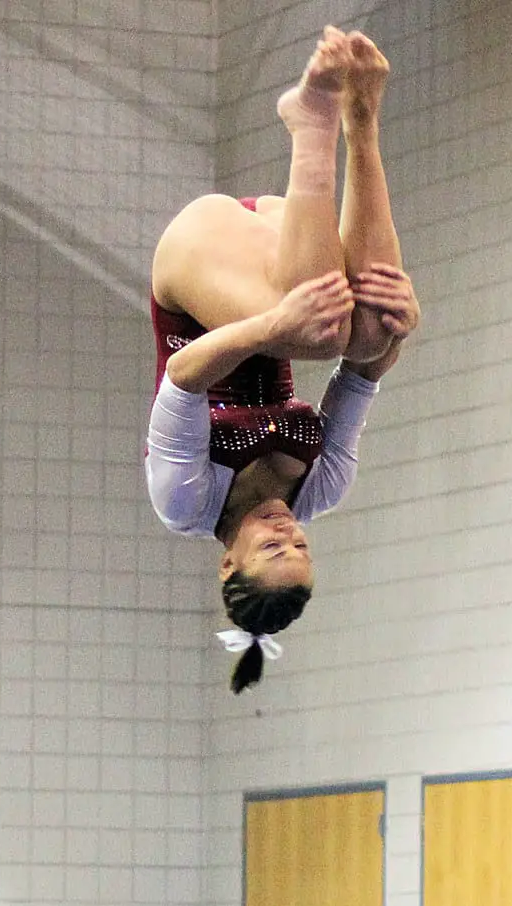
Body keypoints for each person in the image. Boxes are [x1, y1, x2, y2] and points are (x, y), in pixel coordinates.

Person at [146, 27, 420, 693]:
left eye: (272, 547)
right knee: (371, 328)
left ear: (227, 563)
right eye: (299, 546)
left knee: (322, 332)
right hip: (277, 252)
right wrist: (404, 329)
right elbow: (365, 376)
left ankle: (312, 124)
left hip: (196, 261)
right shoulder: (321, 488)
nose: (287, 531)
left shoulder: (185, 501)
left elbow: (183, 379)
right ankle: (362, 122)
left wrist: (275, 325)